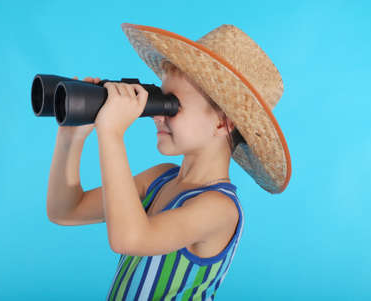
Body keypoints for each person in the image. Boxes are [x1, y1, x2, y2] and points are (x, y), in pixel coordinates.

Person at [46, 23, 291, 300]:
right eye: (159, 101)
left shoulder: (220, 208)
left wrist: (111, 133)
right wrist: (71, 138)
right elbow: (66, 210)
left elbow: (131, 239)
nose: (156, 115)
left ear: (223, 123)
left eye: (171, 105)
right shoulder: (159, 179)